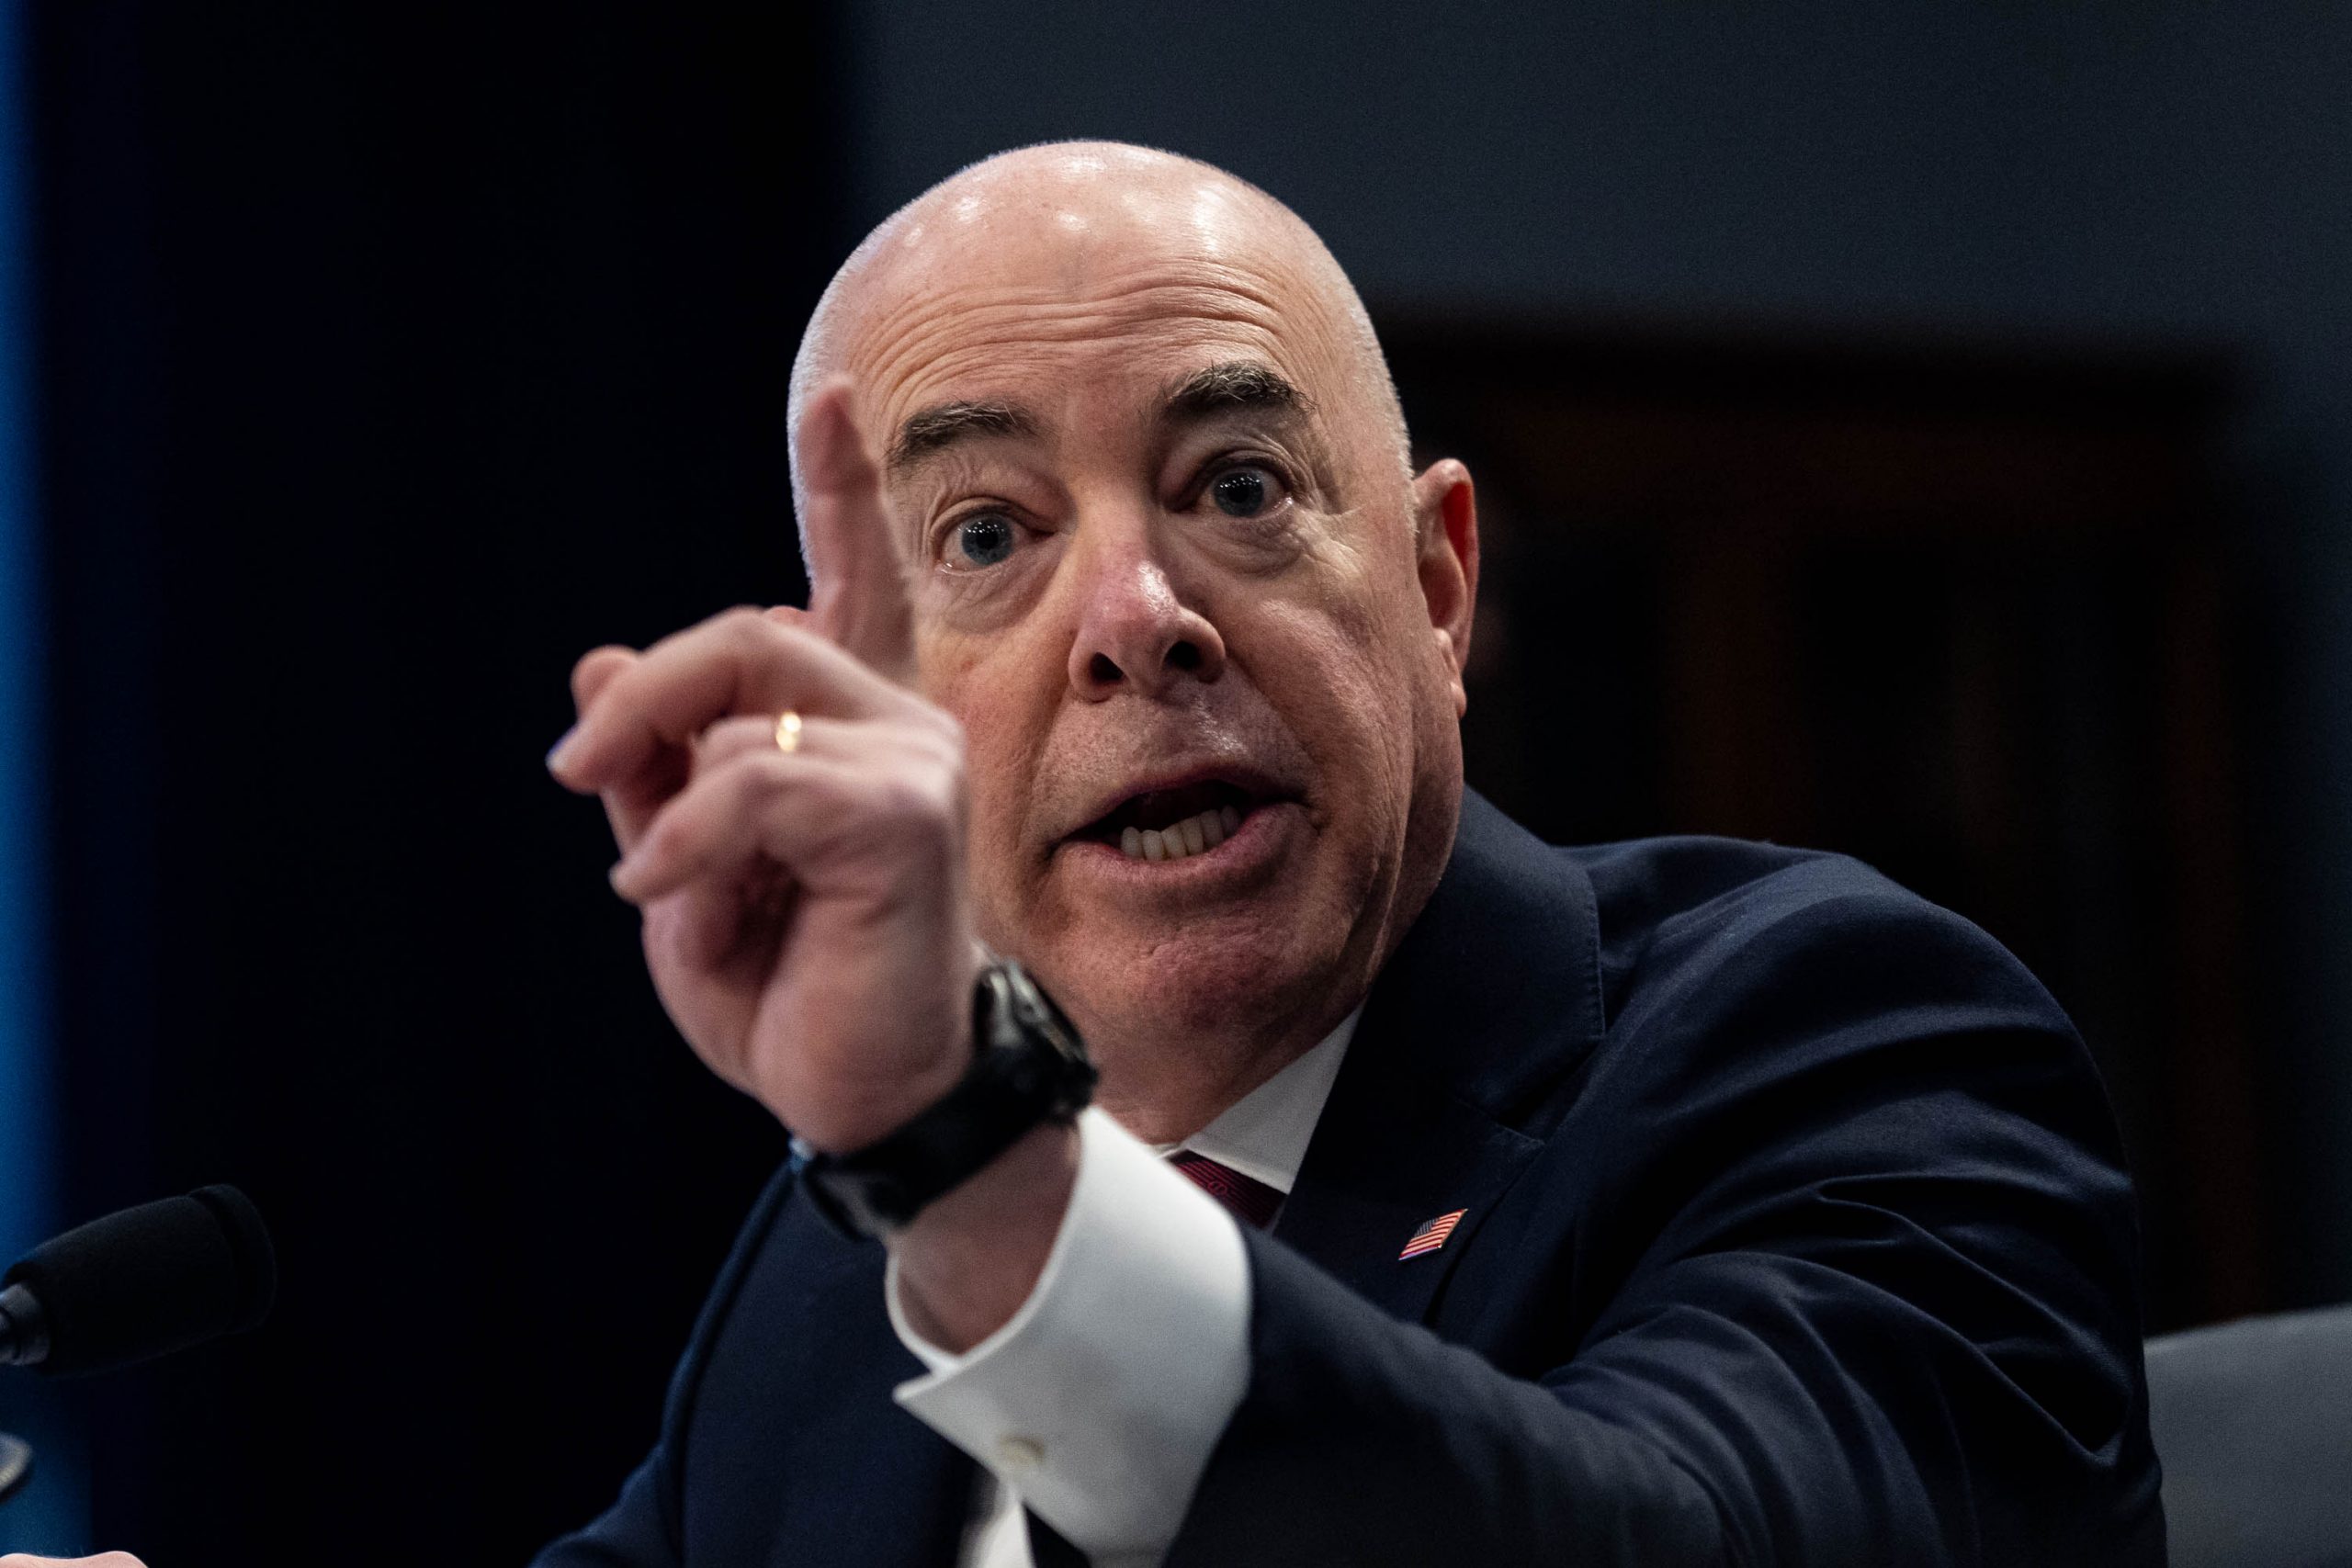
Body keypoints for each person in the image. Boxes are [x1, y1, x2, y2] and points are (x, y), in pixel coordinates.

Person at [8, 141, 2164, 1568]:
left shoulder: (1833, 1039)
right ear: (850, 697)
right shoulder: (826, 1276)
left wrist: (969, 1159)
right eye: (985, 538)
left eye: (1235, 482)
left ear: (1432, 585)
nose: (1137, 614)